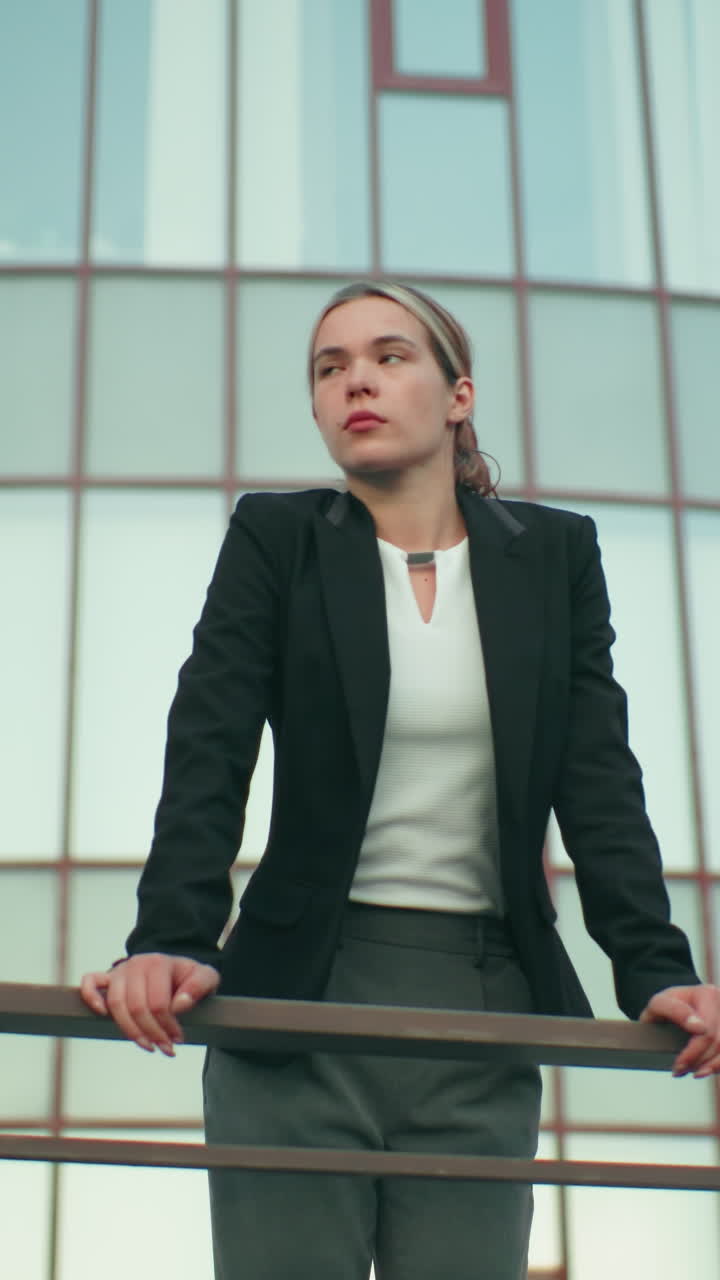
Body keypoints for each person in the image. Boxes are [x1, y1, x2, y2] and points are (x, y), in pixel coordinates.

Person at [81, 280, 720, 1280]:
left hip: (481, 1003)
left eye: (388, 356)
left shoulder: (553, 556)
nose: (355, 382)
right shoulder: (277, 538)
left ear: (459, 394)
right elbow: (209, 741)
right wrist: (169, 935)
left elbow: (597, 775)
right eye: (329, 368)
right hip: (299, 995)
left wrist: (656, 966)